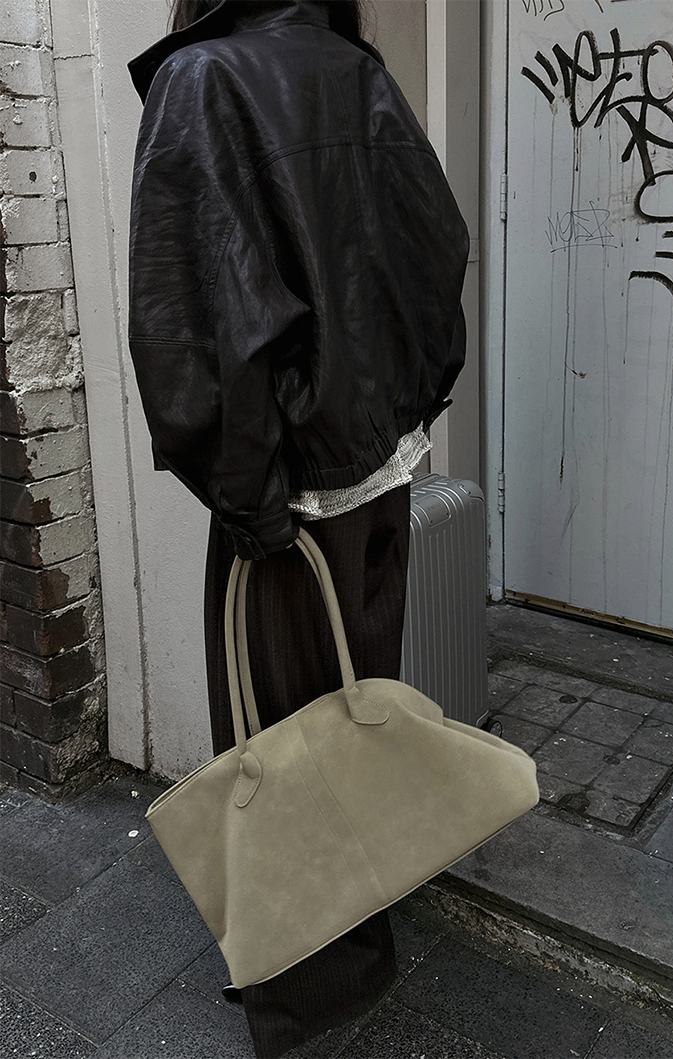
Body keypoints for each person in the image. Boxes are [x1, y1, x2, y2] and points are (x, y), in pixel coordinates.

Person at [127, 0, 469, 1056]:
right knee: (351, 714)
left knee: (277, 743)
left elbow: (190, 327)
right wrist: (403, 413)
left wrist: (248, 499)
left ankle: (308, 979)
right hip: (378, 473)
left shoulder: (203, 80)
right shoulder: (353, 67)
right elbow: (438, 249)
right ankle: (354, 937)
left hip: (288, 496)